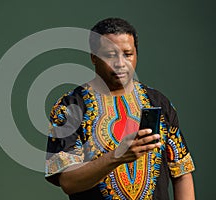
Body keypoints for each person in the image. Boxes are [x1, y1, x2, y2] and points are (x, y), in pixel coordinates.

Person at [45, 17, 195, 200]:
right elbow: (68, 182)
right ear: (94, 57)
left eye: (127, 54)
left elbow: (182, 173)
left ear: (136, 54)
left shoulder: (159, 103)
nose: (120, 63)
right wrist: (117, 156)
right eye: (110, 55)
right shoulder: (69, 108)